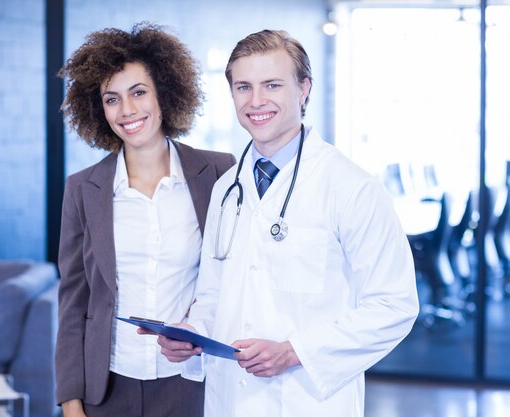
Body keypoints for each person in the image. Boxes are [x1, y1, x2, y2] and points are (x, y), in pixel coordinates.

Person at [156, 29, 420, 417]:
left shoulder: (352, 187)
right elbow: (213, 294)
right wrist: (193, 335)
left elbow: (394, 305)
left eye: (272, 85)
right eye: (243, 87)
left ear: (303, 89)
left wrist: (296, 352)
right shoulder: (227, 187)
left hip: (308, 401)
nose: (256, 100)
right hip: (230, 399)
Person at [54, 23, 236, 417]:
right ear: (98, 109)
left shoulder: (219, 173)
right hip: (107, 386)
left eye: (139, 93)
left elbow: (237, 278)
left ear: (164, 94)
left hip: (191, 382)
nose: (127, 110)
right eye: (112, 99)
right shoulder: (82, 189)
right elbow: (73, 302)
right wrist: (71, 402)